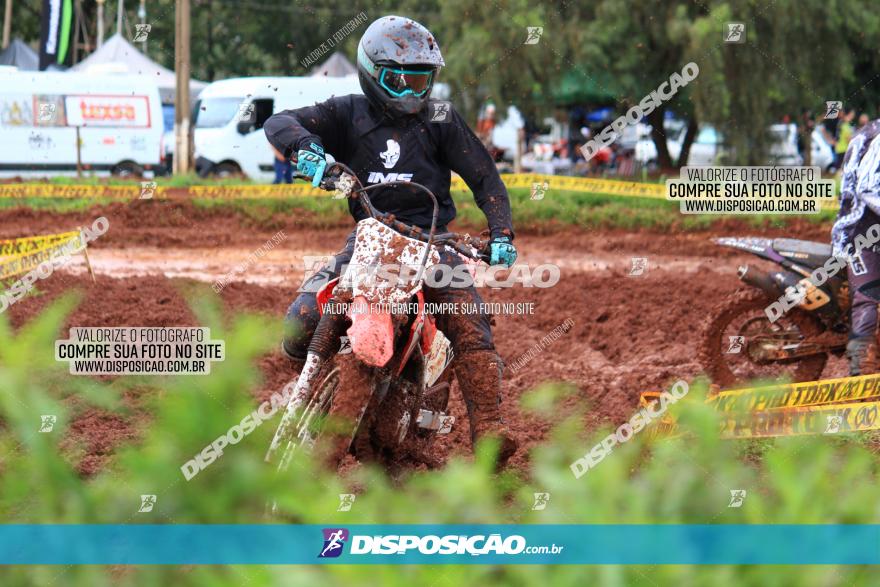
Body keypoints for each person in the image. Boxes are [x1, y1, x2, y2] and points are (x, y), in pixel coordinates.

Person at [263, 15, 518, 464]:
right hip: (370, 238)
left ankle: (491, 432)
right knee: (301, 318)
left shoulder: (440, 116)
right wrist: (307, 149)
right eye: (398, 79)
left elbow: (486, 178)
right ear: (370, 72)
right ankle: (315, 383)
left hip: (434, 242)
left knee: (470, 321)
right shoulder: (346, 112)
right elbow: (279, 121)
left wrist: (501, 233)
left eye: (420, 80)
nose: (410, 92)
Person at [831, 119, 880, 374]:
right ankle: (859, 371)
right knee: (869, 296)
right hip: (859, 234)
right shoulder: (875, 138)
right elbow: (868, 189)